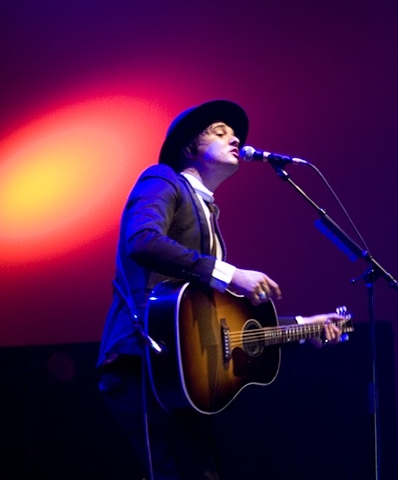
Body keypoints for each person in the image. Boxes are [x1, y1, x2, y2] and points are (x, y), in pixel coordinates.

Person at [97, 100, 346, 479]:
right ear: (189, 147)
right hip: (144, 359)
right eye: (220, 131)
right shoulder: (162, 179)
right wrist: (228, 273)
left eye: (236, 134)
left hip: (185, 368)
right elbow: (142, 240)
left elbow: (219, 320)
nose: (235, 139)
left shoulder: (208, 212)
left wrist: (301, 326)